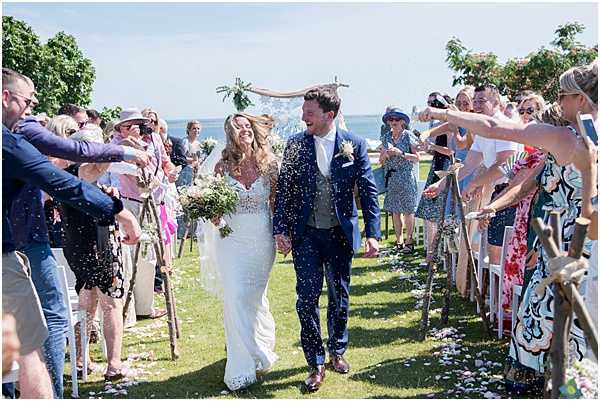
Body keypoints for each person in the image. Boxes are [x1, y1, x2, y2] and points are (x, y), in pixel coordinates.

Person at [419, 60, 597, 394]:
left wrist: (445, 115)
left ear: (582, 100)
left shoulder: (567, 139)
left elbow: (493, 126)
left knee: (543, 328)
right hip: (581, 248)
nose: (558, 102)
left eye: (563, 95)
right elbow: (531, 184)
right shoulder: (587, 140)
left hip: (565, 252)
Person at [5, 68, 147, 398]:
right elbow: (62, 183)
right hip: (14, 248)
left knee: (10, 339)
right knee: (33, 340)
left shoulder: (18, 130)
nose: (32, 107)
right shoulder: (10, 141)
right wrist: (120, 213)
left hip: (24, 241)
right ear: (6, 98)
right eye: (28, 100)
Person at [273, 87, 381, 392]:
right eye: (303, 111)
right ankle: (315, 362)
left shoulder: (354, 144)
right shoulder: (295, 145)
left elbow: (369, 192)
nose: (303, 117)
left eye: (309, 113)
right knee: (306, 298)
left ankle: (337, 350)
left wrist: (373, 234)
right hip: (306, 234)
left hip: (339, 234)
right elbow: (284, 191)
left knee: (339, 293)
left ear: (328, 115)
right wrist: (280, 229)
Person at [198, 113, 280, 391]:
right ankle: (241, 367)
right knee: (235, 297)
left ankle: (259, 346)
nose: (244, 131)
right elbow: (213, 208)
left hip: (261, 239)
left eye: (247, 127)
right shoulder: (221, 167)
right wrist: (211, 214)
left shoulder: (269, 164)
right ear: (230, 134)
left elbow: (275, 203)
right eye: (238, 128)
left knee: (254, 299)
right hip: (230, 240)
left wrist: (283, 234)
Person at [423, 84, 523, 267]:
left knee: (500, 253)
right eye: (474, 101)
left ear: (496, 102)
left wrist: (474, 184)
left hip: (513, 195)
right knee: (493, 250)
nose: (476, 105)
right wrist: (442, 184)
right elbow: (468, 164)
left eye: (481, 101)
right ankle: (491, 294)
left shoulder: (503, 126)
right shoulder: (483, 131)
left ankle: (498, 294)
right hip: (499, 193)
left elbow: (504, 165)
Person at [58, 128, 130, 381]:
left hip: (80, 245)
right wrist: (120, 151)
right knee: (109, 303)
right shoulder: (77, 172)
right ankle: (113, 363)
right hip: (95, 246)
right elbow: (95, 170)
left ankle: (82, 359)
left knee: (86, 299)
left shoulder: (68, 177)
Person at [110, 108, 176, 320]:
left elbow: (164, 162)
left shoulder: (153, 139)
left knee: (148, 256)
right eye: (128, 126)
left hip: (154, 201)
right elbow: (120, 168)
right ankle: (128, 308)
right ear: (120, 128)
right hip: (130, 203)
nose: (134, 129)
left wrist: (170, 170)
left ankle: (144, 307)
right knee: (128, 255)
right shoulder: (117, 145)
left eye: (136, 125)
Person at [415, 92, 453, 265]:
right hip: (437, 165)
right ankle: (432, 254)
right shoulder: (439, 124)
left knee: (436, 213)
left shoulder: (450, 124)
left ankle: (434, 254)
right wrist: (428, 148)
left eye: (434, 102)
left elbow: (452, 152)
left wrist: (432, 146)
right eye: (429, 102)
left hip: (445, 168)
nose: (431, 105)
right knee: (429, 212)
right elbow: (438, 150)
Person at [379, 107, 420, 253]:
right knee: (395, 211)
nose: (393, 122)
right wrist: (385, 155)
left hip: (406, 176)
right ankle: (399, 240)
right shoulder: (385, 138)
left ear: (403, 121)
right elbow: (381, 161)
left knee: (409, 210)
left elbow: (417, 158)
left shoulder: (408, 136)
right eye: (391, 119)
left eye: (396, 119)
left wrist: (401, 153)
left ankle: (409, 240)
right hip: (392, 177)